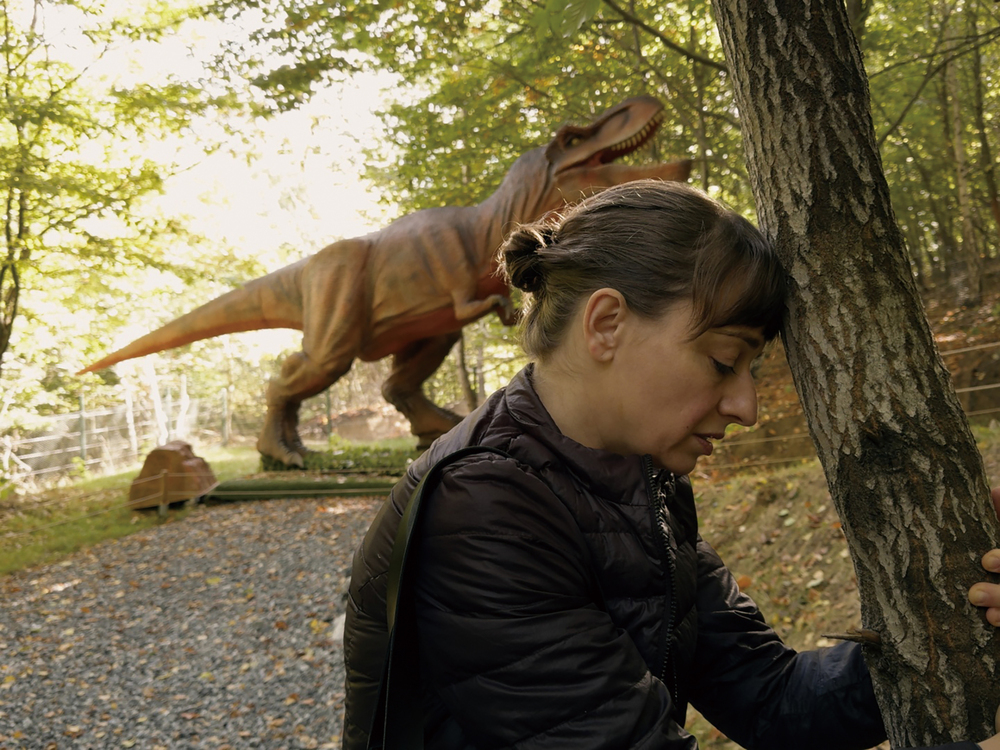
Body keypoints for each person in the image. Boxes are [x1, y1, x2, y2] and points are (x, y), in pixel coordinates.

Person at [343, 179, 1000, 750]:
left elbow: (772, 699)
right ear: (606, 324)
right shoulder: (484, 506)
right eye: (723, 361)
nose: (746, 407)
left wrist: (959, 621)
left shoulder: (637, 476)